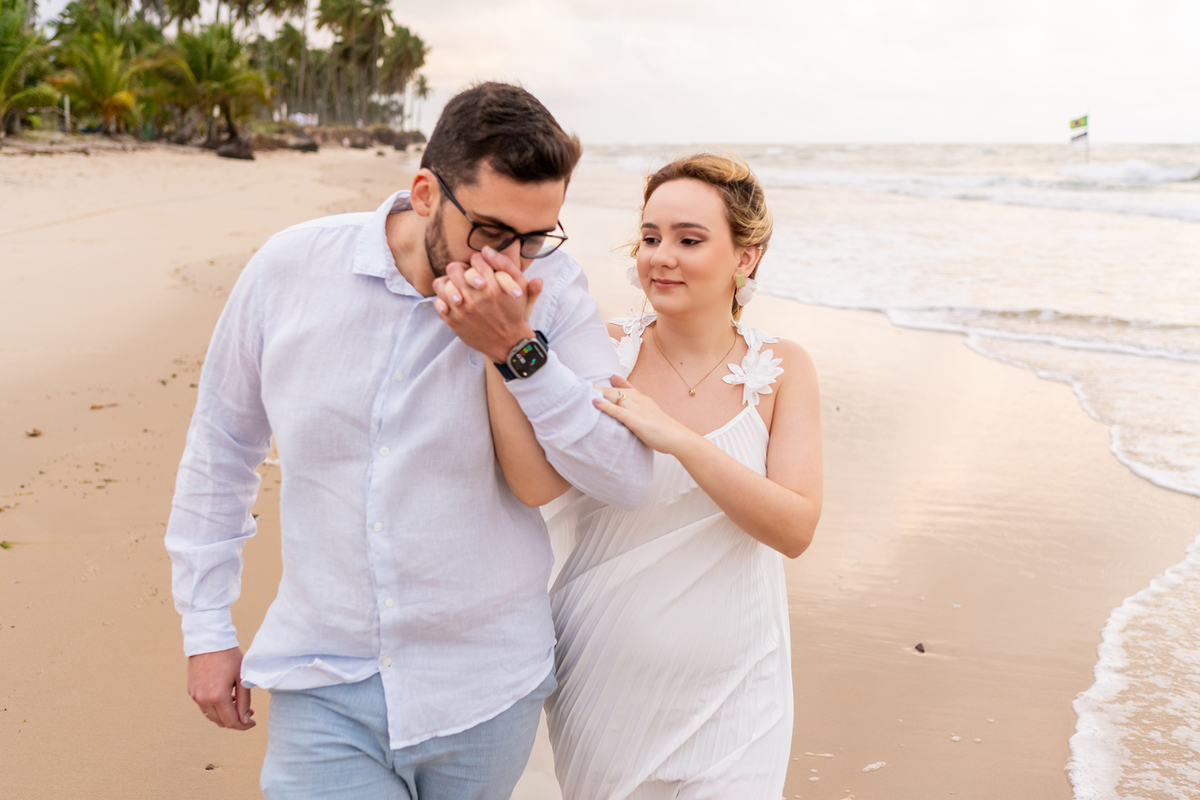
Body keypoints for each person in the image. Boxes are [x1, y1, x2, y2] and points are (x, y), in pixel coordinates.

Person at [164, 82, 653, 800]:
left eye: (536, 235)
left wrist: (518, 350)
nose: (513, 260)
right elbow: (221, 448)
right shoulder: (288, 269)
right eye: (491, 232)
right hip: (322, 679)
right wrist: (206, 626)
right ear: (426, 192)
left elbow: (624, 475)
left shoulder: (553, 289)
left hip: (485, 688)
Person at [485, 153, 823, 799]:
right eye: (649, 237)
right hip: (604, 678)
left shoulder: (784, 369)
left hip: (738, 684)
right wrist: (502, 351)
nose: (660, 256)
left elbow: (795, 526)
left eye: (689, 240)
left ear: (745, 256)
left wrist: (680, 440)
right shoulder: (598, 347)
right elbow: (535, 486)